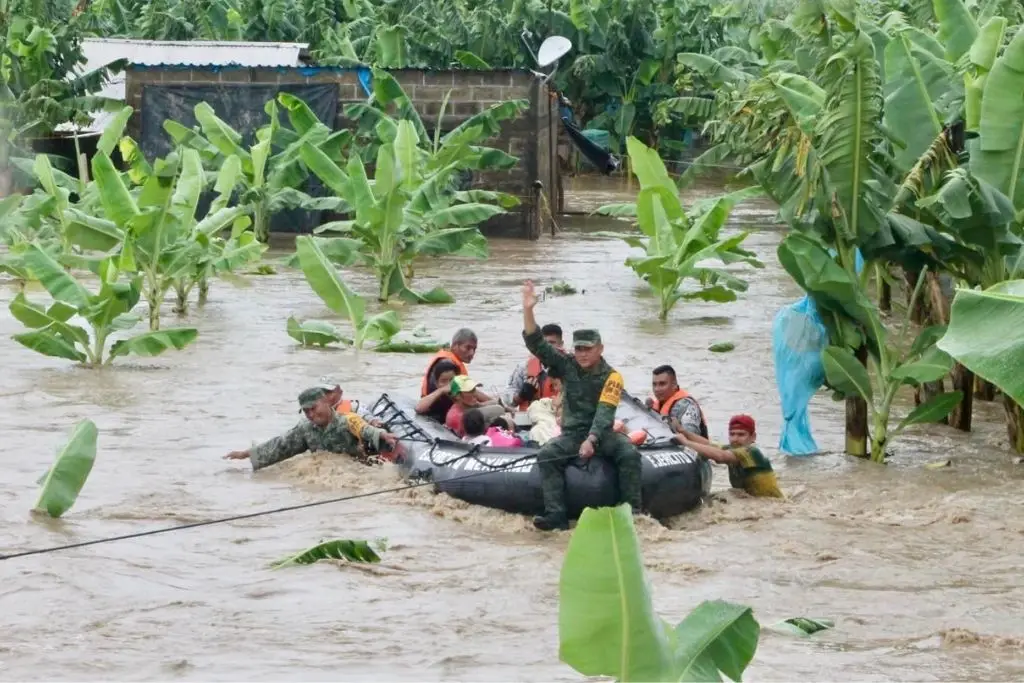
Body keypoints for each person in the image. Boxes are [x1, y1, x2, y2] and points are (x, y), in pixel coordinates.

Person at [521, 280, 643, 531]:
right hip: (573, 434)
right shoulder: (567, 365)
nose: (582, 354)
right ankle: (556, 515)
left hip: (604, 434)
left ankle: (633, 511)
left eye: (588, 349)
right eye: (578, 349)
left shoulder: (612, 376)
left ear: (600, 349)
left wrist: (593, 439)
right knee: (546, 456)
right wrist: (528, 311)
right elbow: (538, 345)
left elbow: (604, 411)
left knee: (629, 454)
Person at [224, 387, 400, 471]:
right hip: (326, 470)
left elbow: (366, 430)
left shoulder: (348, 420)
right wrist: (246, 454)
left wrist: (382, 435)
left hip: (355, 467)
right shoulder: (305, 429)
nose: (310, 415)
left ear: (326, 402)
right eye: (306, 411)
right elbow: (280, 446)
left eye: (313, 408)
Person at [674, 414, 784, 498]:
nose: (735, 439)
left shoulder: (751, 452)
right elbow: (709, 445)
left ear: (753, 437)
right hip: (751, 501)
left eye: (741, 434)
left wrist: (686, 443)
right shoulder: (733, 450)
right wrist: (683, 432)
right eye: (732, 434)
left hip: (770, 503)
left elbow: (721, 456)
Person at [506, 323, 565, 409]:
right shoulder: (524, 368)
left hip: (560, 418)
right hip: (529, 419)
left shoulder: (571, 366)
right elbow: (508, 401)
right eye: (545, 343)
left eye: (552, 343)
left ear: (561, 344)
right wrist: (521, 396)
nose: (547, 347)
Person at [647, 364, 708, 438]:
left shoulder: (687, 406)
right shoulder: (655, 405)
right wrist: (648, 412)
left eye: (662, 384)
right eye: (654, 384)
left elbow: (692, 437)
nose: (657, 389)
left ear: (674, 384)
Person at [420, 328, 483, 398]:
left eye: (474, 349)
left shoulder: (447, 359)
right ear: (454, 346)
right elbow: (468, 392)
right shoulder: (448, 366)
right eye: (468, 348)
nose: (472, 353)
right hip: (440, 406)